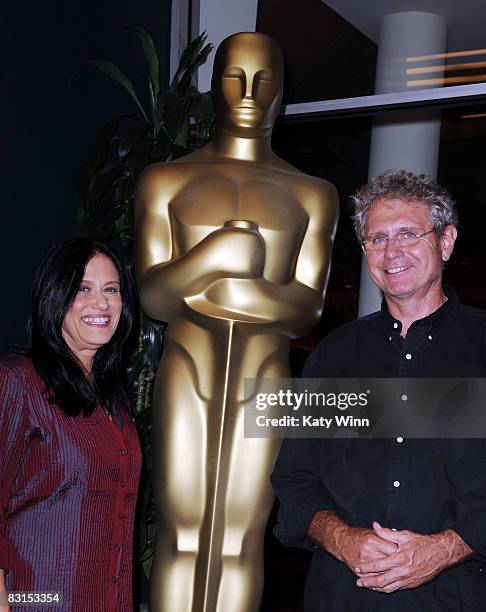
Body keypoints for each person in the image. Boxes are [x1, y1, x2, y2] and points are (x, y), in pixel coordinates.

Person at [134, 32, 338, 611]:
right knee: (183, 531)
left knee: (242, 537)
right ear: (212, 86)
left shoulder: (312, 194)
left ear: (282, 93)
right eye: (233, 76)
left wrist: (225, 287)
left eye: (263, 79)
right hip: (187, 367)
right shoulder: (165, 180)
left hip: (266, 375)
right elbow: (153, 294)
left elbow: (307, 308)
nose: (248, 92)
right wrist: (214, 255)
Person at [271, 170, 486, 610]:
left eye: (409, 234)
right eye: (377, 239)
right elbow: (295, 480)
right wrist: (343, 539)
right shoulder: (332, 356)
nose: (392, 251)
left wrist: (448, 548)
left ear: (446, 241)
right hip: (342, 596)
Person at [0, 237, 141, 612]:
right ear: (55, 296)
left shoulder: (115, 402)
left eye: (111, 289)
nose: (101, 302)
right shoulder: (20, 381)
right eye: (83, 289)